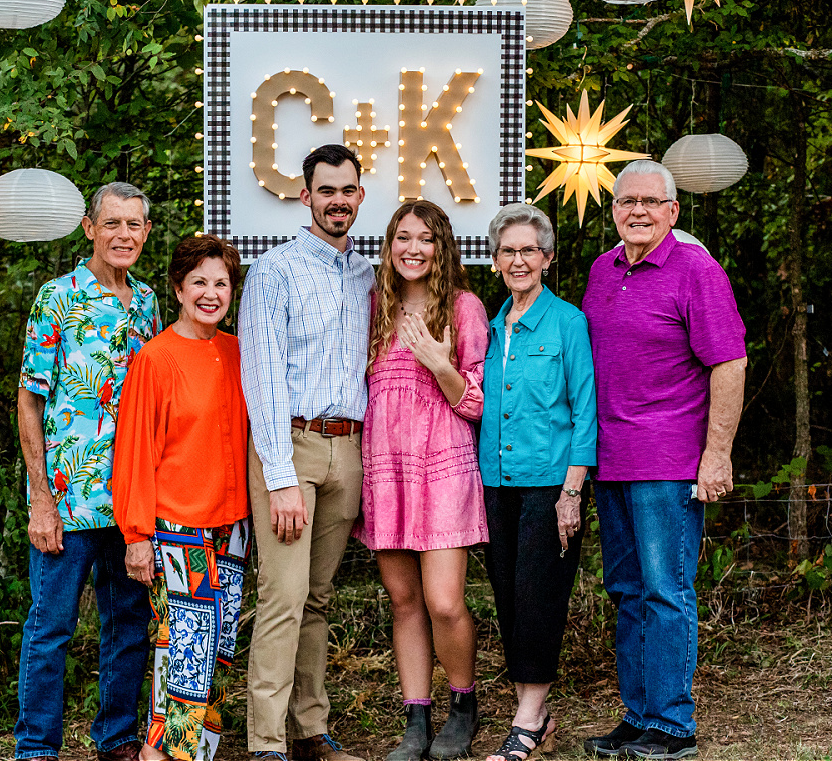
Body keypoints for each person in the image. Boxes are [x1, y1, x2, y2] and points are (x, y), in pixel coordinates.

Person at [581, 160, 746, 760]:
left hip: (669, 461)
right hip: (610, 460)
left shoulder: (697, 270)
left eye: (651, 202)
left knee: (666, 591)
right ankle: (638, 715)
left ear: (673, 211)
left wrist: (717, 454)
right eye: (628, 201)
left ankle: (673, 724)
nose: (638, 212)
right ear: (614, 210)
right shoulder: (602, 271)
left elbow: (729, 362)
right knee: (627, 592)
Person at [15, 182, 160, 761]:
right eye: (113, 223)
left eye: (134, 225)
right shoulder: (57, 297)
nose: (124, 235)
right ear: (90, 228)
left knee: (127, 625)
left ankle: (116, 738)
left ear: (145, 233)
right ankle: (36, 747)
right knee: (51, 627)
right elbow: (29, 400)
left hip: (130, 502)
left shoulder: (147, 303)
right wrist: (40, 499)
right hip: (67, 500)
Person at [239, 144, 374, 761]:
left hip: (349, 448)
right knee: (284, 598)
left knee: (318, 599)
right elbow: (262, 378)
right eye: (326, 191)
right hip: (289, 445)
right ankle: (266, 742)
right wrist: (280, 476)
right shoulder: (275, 272)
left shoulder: (368, 275)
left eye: (347, 190)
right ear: (306, 196)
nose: (337, 201)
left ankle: (310, 731)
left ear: (360, 197)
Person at [354, 200, 490, 761]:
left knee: (444, 601)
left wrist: (438, 361)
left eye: (426, 238)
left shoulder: (463, 307)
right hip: (386, 470)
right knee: (404, 600)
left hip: (443, 468)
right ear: (389, 246)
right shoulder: (373, 306)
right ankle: (416, 720)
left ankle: (464, 705)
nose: (413, 248)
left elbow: (476, 403)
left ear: (442, 247)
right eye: (403, 237)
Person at [112, 234, 252, 761]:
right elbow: (134, 452)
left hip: (233, 526)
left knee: (217, 650)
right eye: (199, 282)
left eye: (221, 283)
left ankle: (196, 753)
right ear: (177, 289)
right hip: (177, 527)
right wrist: (136, 536)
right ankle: (159, 752)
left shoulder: (238, 351)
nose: (211, 294)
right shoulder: (156, 358)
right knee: (184, 649)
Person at [478, 202, 597, 761]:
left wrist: (572, 493)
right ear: (495, 259)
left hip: (551, 484)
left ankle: (526, 721)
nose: (518, 260)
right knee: (507, 596)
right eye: (508, 251)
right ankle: (537, 714)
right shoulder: (489, 327)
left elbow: (585, 411)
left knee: (538, 597)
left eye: (529, 250)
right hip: (496, 482)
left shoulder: (568, 322)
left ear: (547, 257)